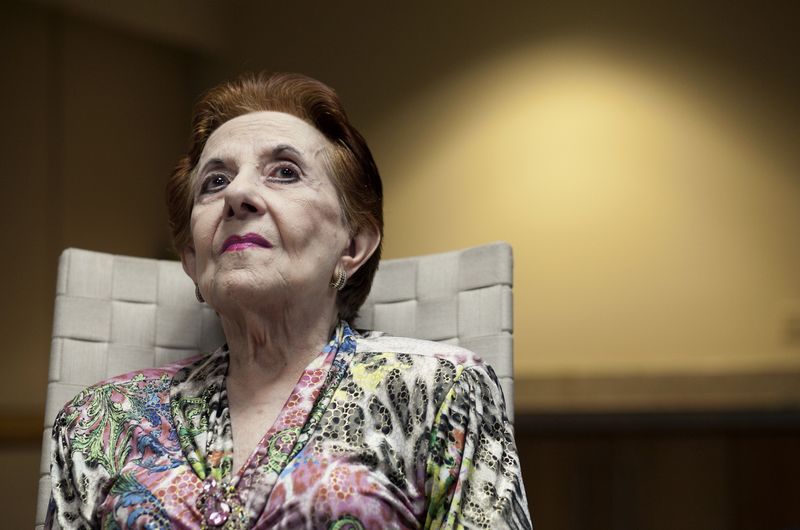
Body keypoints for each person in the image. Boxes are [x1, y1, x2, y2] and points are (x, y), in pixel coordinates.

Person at [46, 72, 532, 529]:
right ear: (192, 259)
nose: (238, 193)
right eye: (215, 181)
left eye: (284, 172)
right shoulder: (101, 420)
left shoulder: (441, 391)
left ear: (353, 246)